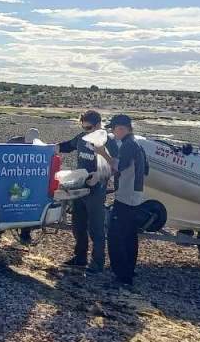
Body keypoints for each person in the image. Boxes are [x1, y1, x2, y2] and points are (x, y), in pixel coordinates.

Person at [53, 110, 116, 274]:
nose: (86, 131)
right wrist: (54, 148)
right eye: (83, 127)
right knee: (78, 225)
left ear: (98, 125)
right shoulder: (81, 137)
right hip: (80, 187)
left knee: (95, 228)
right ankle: (80, 258)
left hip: (96, 189)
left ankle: (97, 262)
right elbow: (69, 145)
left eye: (88, 128)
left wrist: (100, 174)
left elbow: (116, 166)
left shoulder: (108, 142)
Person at [105, 114, 147, 288]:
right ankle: (129, 270)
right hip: (135, 195)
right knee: (130, 235)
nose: (113, 133)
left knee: (116, 236)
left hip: (126, 197)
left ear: (122, 128)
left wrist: (102, 153)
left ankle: (122, 275)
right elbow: (146, 170)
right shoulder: (137, 144)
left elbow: (117, 167)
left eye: (114, 129)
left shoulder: (128, 145)